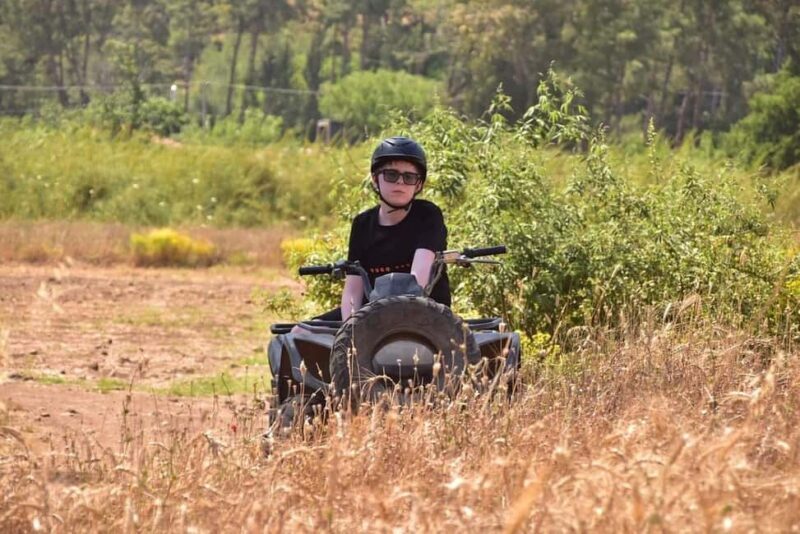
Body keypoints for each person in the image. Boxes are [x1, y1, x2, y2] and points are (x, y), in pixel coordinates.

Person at [302, 136, 450, 327]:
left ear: (419, 185)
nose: (400, 183)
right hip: (371, 312)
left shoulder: (428, 215)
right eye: (391, 175)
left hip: (425, 311)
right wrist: (351, 333)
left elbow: (417, 282)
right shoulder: (362, 224)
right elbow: (353, 292)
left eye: (409, 177)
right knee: (299, 334)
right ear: (375, 179)